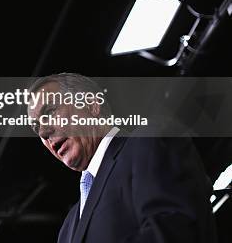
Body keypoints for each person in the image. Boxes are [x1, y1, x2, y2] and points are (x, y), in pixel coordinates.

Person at [27, 73, 217, 243]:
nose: (43, 132)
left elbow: (175, 232)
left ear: (92, 104)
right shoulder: (67, 230)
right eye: (36, 128)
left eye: (50, 112)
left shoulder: (150, 142)